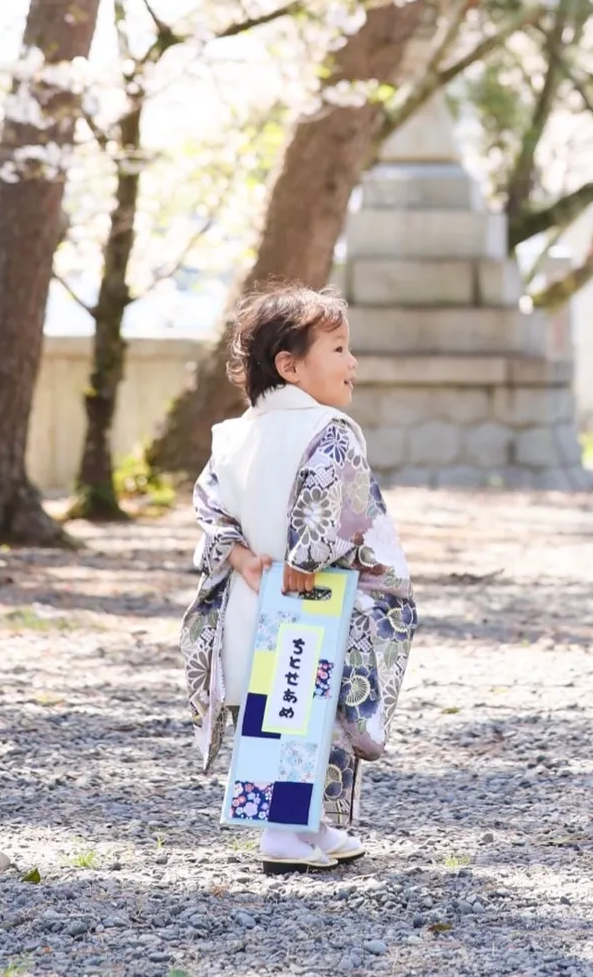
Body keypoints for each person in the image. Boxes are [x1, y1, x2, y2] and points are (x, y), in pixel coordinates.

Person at [180, 282, 416, 873]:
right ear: (290, 365)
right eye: (338, 348)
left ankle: (310, 823)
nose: (352, 361)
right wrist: (307, 561)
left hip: (249, 598)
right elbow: (347, 513)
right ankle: (282, 835)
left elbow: (211, 510)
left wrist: (240, 558)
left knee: (272, 718)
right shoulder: (330, 431)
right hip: (311, 598)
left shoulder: (232, 436)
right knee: (307, 713)